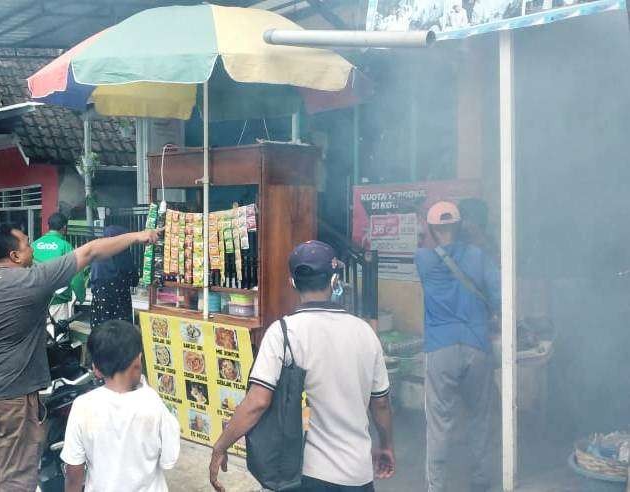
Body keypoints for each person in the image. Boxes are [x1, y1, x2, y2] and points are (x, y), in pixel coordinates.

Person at [0, 222, 158, 490]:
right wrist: (139, 235)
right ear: (14, 256)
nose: (32, 249)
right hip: (14, 400)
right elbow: (90, 252)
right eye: (27, 244)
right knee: (13, 478)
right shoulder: (33, 280)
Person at [210, 240, 395, 492]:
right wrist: (385, 445)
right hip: (358, 474)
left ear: (293, 283)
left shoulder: (284, 332)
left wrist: (221, 445)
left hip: (309, 475)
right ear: (334, 281)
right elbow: (381, 403)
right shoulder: (365, 332)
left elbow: (257, 402)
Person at [415, 201, 500, 492]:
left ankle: (436, 487)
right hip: (477, 345)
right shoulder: (479, 257)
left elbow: (425, 242)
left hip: (440, 348)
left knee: (439, 422)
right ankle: (480, 481)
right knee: (480, 417)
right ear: (460, 226)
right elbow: (500, 297)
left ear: (432, 229)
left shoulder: (423, 261)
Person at [61, 319, 180, 492]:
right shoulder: (153, 403)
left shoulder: (82, 406)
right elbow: (169, 459)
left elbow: (73, 472)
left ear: (96, 369)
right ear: (138, 361)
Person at [31, 212, 87, 325]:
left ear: (48, 226)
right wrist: (81, 296)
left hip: (35, 299)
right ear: (65, 227)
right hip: (58, 300)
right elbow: (76, 275)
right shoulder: (65, 246)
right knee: (58, 335)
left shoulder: (33, 245)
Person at [86, 225, 140, 326]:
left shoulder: (98, 256)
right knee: (121, 336)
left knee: (102, 336)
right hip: (122, 311)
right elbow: (134, 281)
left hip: (102, 311)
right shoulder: (125, 256)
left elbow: (92, 282)